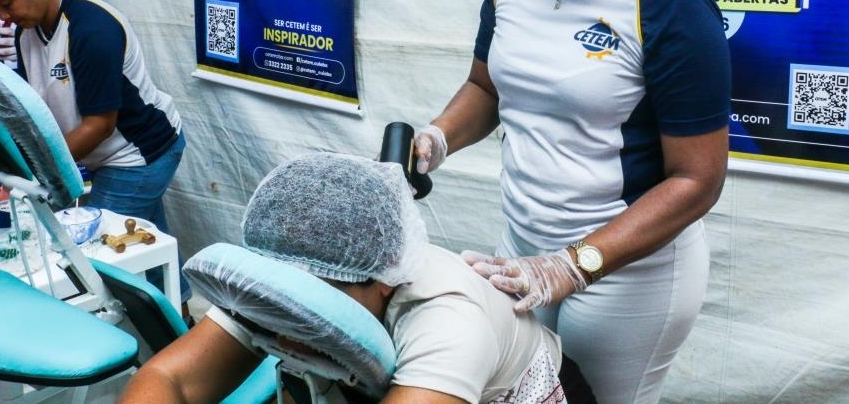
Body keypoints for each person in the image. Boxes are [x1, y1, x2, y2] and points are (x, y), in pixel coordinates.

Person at [412, 0, 732, 403]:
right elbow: (485, 86)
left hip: (627, 273)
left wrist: (571, 265)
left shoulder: (670, 2)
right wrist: (438, 137)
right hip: (522, 250)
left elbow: (698, 180)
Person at [120, 152, 596, 404]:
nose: (290, 329)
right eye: (284, 299)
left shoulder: (450, 323)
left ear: (385, 279)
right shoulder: (282, 285)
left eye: (320, 306)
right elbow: (170, 379)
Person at [0, 0, 192, 312]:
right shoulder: (27, 30)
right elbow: (34, 105)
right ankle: (182, 317)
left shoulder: (92, 30)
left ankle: (148, 329)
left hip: (139, 154)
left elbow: (100, 125)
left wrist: (41, 173)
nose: (3, 17)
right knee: (147, 240)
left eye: (6, 4)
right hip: (108, 152)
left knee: (96, 256)